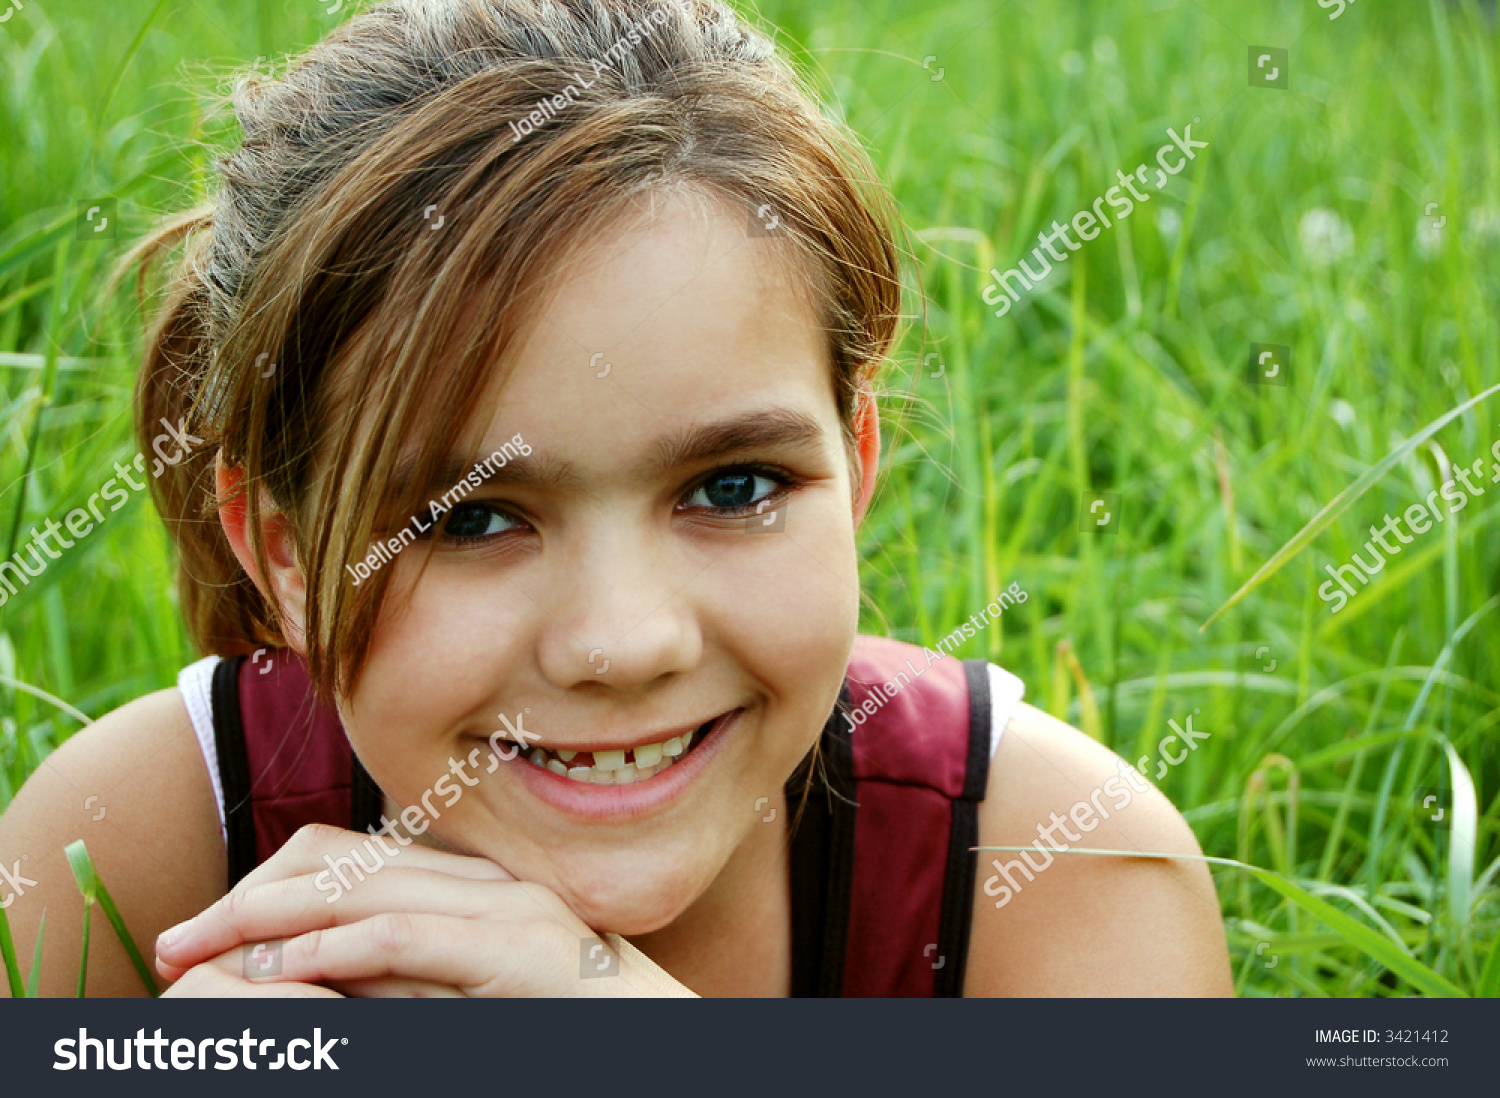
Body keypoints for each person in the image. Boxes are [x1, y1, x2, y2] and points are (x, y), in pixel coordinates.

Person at [0, 0, 1230, 997]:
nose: (623, 641)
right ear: (280, 553)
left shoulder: (1060, 871)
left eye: (734, 486)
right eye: (472, 517)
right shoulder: (134, 852)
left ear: (854, 469)